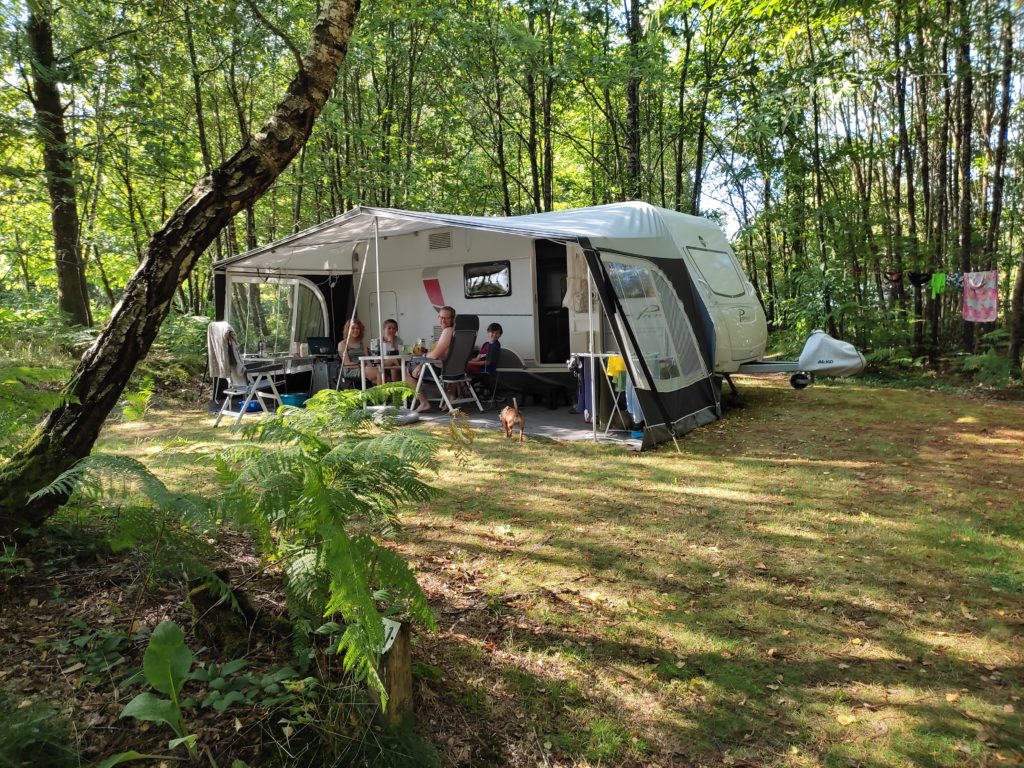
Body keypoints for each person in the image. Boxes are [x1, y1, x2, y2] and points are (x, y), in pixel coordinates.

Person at [405, 306, 456, 411]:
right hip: (451, 369)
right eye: (441, 317)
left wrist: (422, 361)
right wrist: (426, 355)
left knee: (407, 373)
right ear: (438, 317)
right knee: (426, 377)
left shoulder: (448, 331)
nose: (443, 320)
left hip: (442, 370)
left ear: (453, 319)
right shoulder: (457, 331)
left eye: (447, 318)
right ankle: (448, 395)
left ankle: (423, 403)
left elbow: (434, 356)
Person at [337, 318, 368, 386]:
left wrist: (370, 366)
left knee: (383, 373)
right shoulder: (342, 344)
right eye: (353, 328)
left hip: (364, 368)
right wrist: (362, 366)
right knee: (377, 373)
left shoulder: (363, 343)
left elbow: (367, 360)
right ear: (348, 329)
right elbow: (347, 363)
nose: (356, 330)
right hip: (350, 370)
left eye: (358, 328)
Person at [378, 318, 404, 382]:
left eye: (394, 328)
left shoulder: (398, 340)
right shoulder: (378, 340)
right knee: (393, 363)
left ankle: (395, 388)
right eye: (389, 328)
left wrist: (392, 341)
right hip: (382, 362)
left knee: (394, 367)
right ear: (384, 329)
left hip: (396, 363)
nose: (391, 330)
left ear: (396, 330)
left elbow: (399, 353)